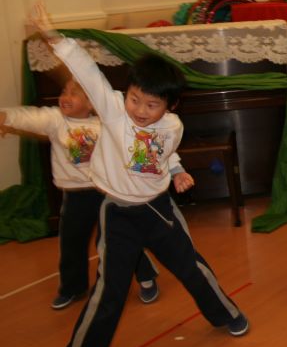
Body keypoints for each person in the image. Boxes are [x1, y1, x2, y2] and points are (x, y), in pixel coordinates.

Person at [30, 1, 249, 347]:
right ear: (126, 93)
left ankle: (225, 313)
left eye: (151, 105)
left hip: (158, 209)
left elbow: (163, 153)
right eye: (135, 99)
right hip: (117, 213)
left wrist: (177, 170)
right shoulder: (113, 110)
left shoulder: (172, 126)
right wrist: (54, 37)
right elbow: (87, 72)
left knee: (190, 266)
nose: (140, 111)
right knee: (108, 293)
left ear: (170, 106)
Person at [0, 78, 164, 310]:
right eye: (64, 91)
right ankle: (72, 288)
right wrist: (6, 117)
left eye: (74, 93)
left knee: (119, 239)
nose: (66, 97)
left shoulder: (104, 123)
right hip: (75, 196)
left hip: (106, 193)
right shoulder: (55, 120)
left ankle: (146, 276)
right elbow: (31, 116)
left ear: (91, 103)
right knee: (71, 243)